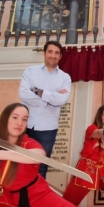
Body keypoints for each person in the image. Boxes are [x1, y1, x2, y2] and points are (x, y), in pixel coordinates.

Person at [19, 40, 71, 178]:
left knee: (41, 165)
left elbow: (61, 100)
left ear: (60, 56)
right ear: (44, 53)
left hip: (48, 129)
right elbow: (23, 93)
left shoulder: (65, 78)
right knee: (20, 162)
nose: (53, 56)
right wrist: (49, 100)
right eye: (50, 52)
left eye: (56, 53)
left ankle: (37, 197)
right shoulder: (30, 71)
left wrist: (37, 91)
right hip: (24, 124)